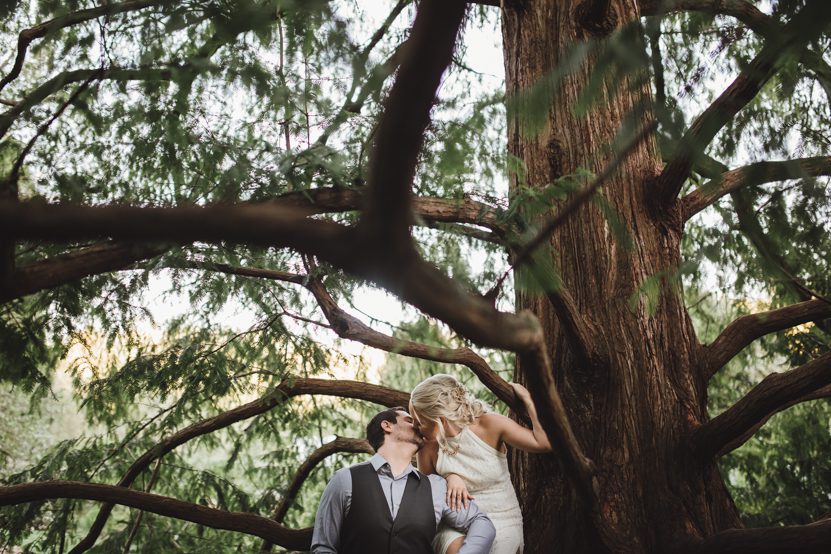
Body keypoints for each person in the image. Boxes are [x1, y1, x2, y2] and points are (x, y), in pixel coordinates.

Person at [311, 406, 496, 554]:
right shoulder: (344, 481)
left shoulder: (436, 487)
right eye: (409, 419)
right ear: (387, 426)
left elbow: (481, 522)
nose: (417, 423)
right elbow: (323, 547)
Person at [410, 374, 552, 554]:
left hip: (502, 519)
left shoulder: (489, 425)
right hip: (457, 523)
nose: (415, 427)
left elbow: (543, 442)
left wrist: (529, 402)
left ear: (441, 420)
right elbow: (429, 496)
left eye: (420, 422)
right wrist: (450, 478)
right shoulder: (428, 448)